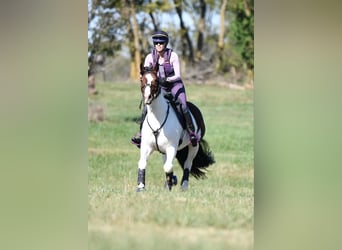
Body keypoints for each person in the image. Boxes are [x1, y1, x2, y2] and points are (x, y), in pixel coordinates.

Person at [131, 30, 199, 147]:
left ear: (165, 44)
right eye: (156, 43)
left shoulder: (173, 56)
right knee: (146, 107)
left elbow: (178, 75)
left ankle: (192, 132)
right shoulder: (149, 57)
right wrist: (143, 78)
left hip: (175, 85)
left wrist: (167, 79)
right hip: (159, 87)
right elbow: (145, 73)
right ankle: (141, 135)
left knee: (182, 105)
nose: (158, 45)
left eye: (161, 43)